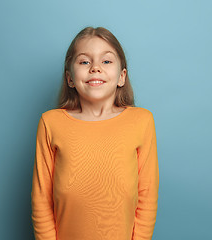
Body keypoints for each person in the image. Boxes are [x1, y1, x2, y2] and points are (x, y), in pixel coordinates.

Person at [31, 26, 159, 240]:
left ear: (122, 77)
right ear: (70, 78)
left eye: (106, 61)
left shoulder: (142, 121)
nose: (95, 68)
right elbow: (41, 199)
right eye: (84, 61)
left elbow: (147, 197)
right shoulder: (50, 123)